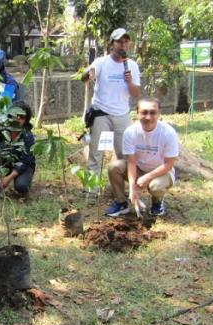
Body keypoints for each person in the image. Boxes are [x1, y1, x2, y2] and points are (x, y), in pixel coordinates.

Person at [81, 28, 141, 200]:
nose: (122, 44)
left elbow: (136, 93)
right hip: (101, 114)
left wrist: (129, 81)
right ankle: (91, 192)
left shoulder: (132, 66)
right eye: (119, 41)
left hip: (122, 115)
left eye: (125, 41)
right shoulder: (101, 62)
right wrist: (88, 74)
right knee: (96, 153)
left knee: (124, 154)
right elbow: (84, 78)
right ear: (112, 44)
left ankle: (121, 192)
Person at [105, 97, 179, 217]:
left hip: (162, 172)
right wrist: (132, 188)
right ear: (137, 113)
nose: (148, 117)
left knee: (155, 186)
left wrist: (147, 177)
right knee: (114, 167)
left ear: (159, 113)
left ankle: (157, 202)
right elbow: (131, 162)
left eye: (152, 112)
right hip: (139, 169)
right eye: (144, 112)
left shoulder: (168, 133)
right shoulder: (130, 132)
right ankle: (121, 202)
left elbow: (168, 164)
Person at [0, 101, 36, 196]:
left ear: (26, 119)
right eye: (16, 115)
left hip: (24, 165)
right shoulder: (2, 130)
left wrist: (9, 178)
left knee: (21, 187)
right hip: (7, 161)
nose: (18, 119)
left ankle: (21, 180)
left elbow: (26, 161)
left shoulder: (28, 136)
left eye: (22, 117)